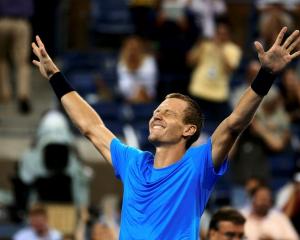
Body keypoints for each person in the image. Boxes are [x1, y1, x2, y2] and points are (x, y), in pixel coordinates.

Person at [31, 26, 300, 239]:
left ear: (189, 129)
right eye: (156, 111)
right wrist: (55, 76)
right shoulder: (133, 163)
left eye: (168, 112)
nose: (157, 114)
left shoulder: (197, 166)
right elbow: (91, 127)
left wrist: (266, 74)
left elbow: (233, 124)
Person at [0, 0, 33, 113]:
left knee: (2, 59)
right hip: (21, 22)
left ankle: (5, 93)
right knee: (22, 62)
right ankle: (23, 94)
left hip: (3, 21)